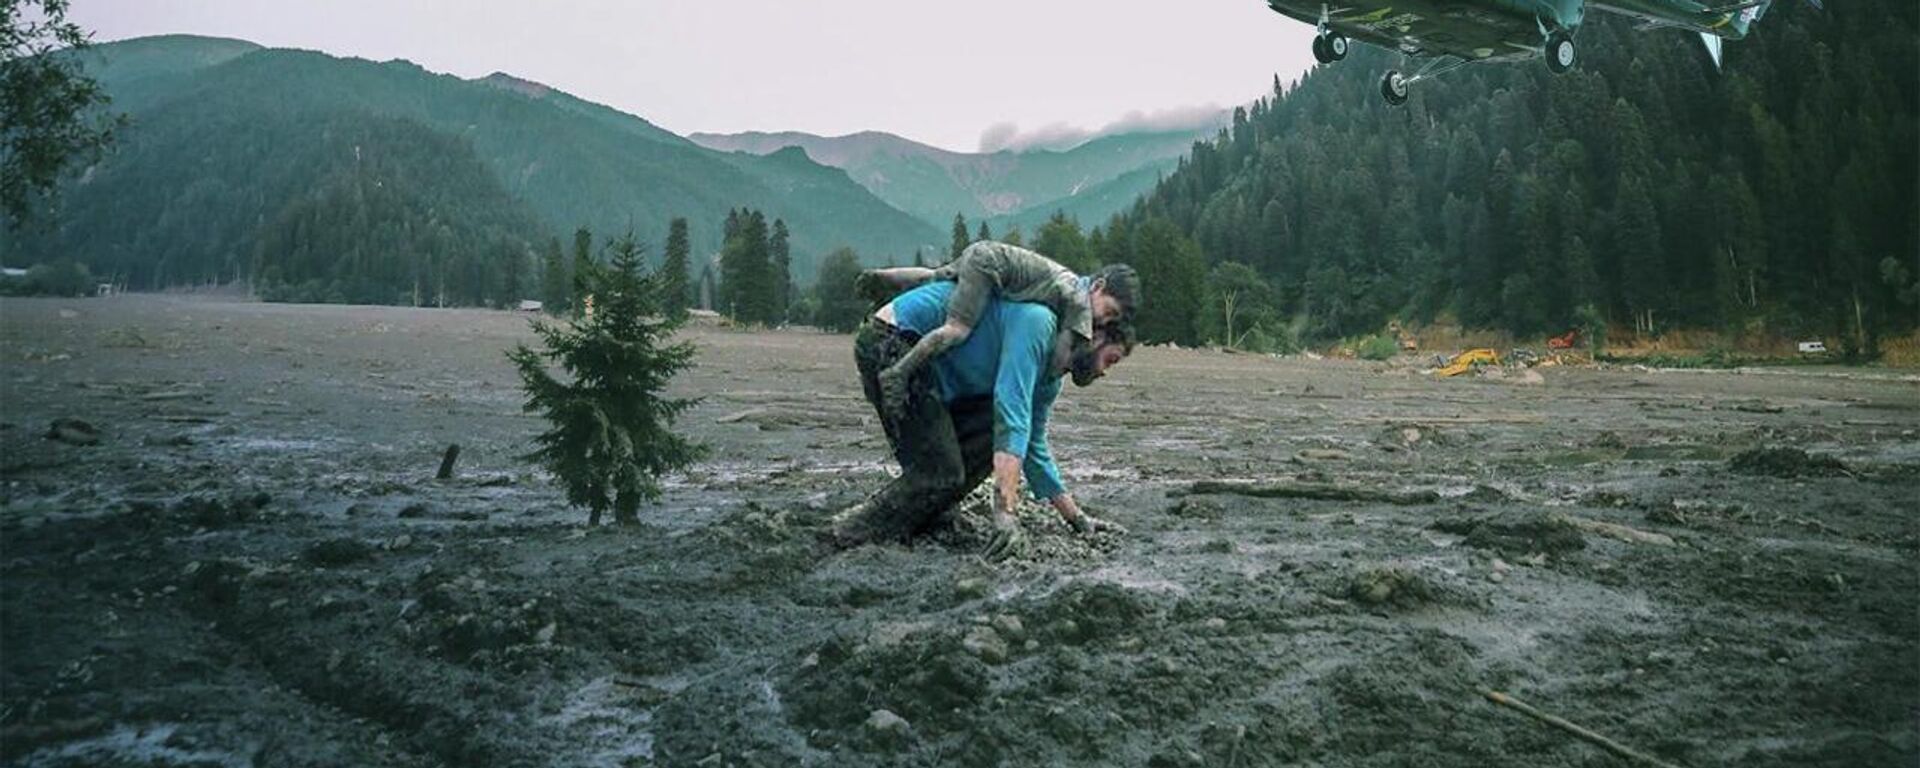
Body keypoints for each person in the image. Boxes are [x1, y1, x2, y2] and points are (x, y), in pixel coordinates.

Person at [829, 279, 1136, 558]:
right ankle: (846, 534)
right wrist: (1006, 514)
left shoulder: (1050, 379)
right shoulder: (1039, 323)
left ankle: (927, 515)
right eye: (1110, 359)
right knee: (941, 473)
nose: (1104, 371)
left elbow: (1031, 443)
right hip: (894, 340)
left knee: (951, 476)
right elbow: (1010, 411)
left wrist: (1076, 518)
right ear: (1093, 338)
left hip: (934, 375)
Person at [856, 240, 1139, 421]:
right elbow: (1062, 353)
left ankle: (885, 276)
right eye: (1109, 311)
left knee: (934, 276)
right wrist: (1048, 376)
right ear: (1098, 286)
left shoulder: (1070, 281)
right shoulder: (1079, 299)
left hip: (984, 252)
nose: (1103, 321)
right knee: (957, 330)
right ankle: (898, 374)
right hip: (989, 268)